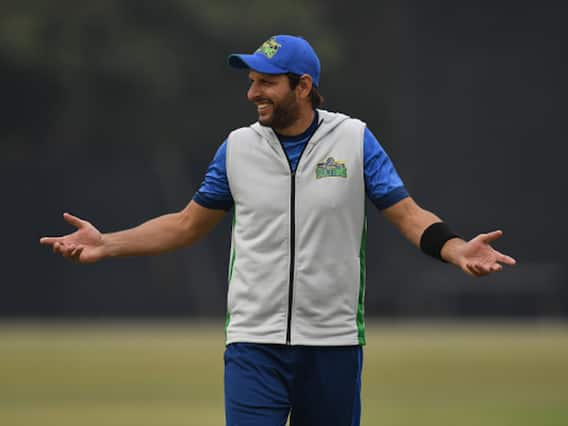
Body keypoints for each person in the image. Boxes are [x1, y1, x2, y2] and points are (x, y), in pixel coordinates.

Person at [40, 35, 516, 426]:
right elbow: (185, 225)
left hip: (333, 344)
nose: (253, 93)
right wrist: (107, 243)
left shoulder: (354, 140)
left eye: (266, 82)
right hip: (254, 343)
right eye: (251, 82)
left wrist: (456, 249)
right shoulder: (237, 148)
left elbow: (409, 216)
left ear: (303, 86)